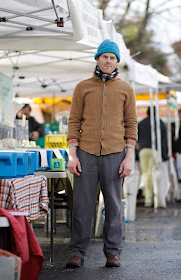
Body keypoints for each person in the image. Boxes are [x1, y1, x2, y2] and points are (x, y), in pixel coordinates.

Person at [66, 39, 138, 268]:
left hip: (115, 154)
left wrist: (129, 157)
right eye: (105, 56)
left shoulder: (126, 89)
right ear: (97, 59)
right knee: (82, 205)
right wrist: (72, 154)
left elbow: (131, 123)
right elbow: (74, 121)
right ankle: (77, 251)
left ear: (117, 61)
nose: (108, 61)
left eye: (113, 57)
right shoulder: (83, 87)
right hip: (85, 153)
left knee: (114, 205)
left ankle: (113, 252)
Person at [137, 106, 168, 207]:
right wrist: (164, 154)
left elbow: (136, 137)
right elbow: (163, 141)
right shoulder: (160, 123)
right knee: (151, 173)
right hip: (155, 150)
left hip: (142, 150)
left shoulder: (141, 123)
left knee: (145, 172)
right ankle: (149, 199)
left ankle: (143, 187)